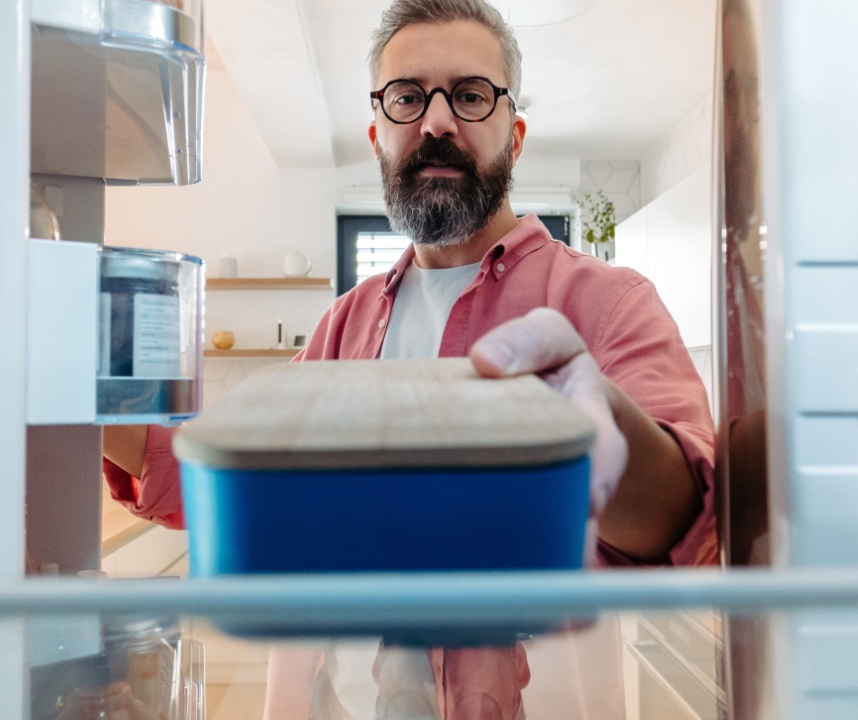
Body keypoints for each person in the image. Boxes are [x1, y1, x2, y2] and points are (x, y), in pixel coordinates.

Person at [103, 0, 715, 716]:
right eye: (407, 97)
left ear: (514, 135)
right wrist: (63, 398)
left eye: (470, 95)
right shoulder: (345, 325)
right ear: (377, 137)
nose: (436, 122)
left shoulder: (608, 302)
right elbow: (218, 479)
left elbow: (691, 524)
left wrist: (598, 422)